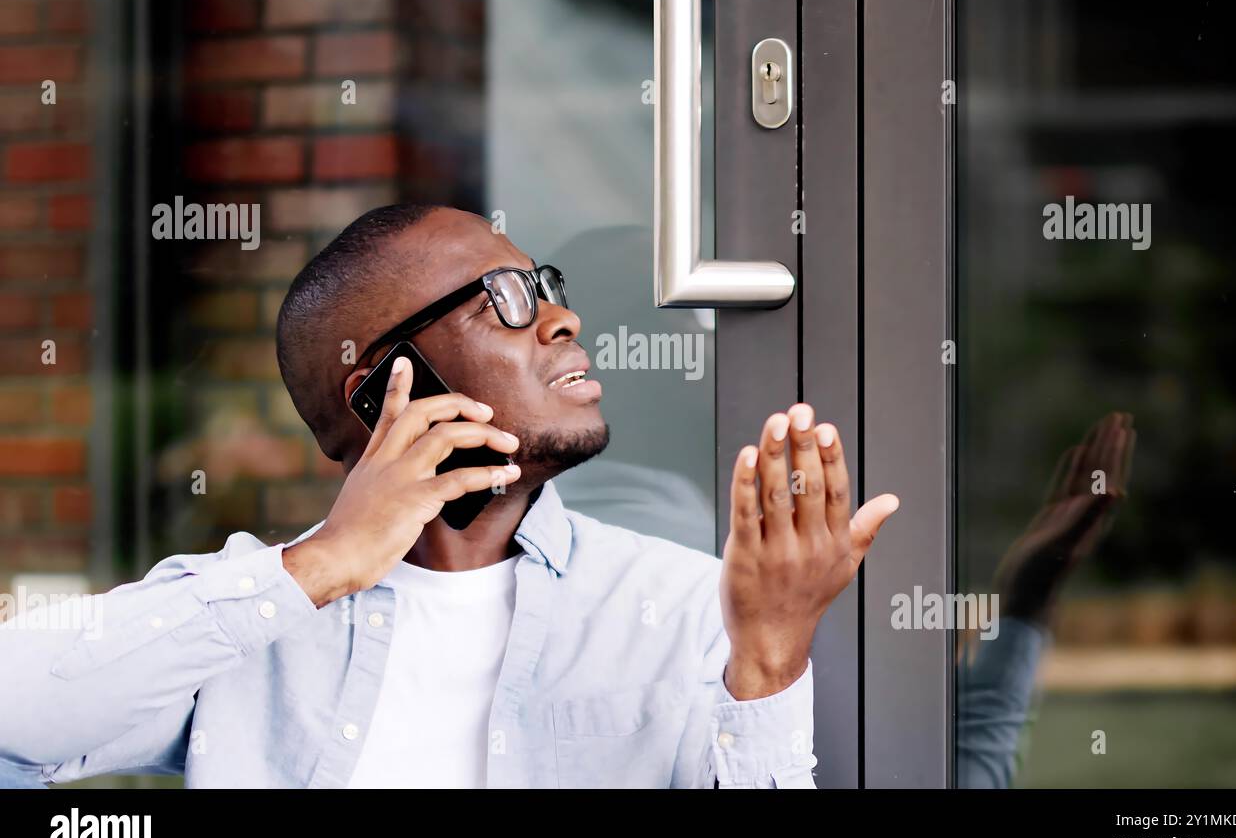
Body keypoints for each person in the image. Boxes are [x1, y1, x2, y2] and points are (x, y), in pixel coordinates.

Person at [0, 205, 1022, 788]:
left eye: (551, 284)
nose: (563, 317)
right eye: (509, 298)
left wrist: (767, 656)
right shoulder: (248, 614)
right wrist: (319, 567)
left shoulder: (680, 605)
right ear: (388, 388)